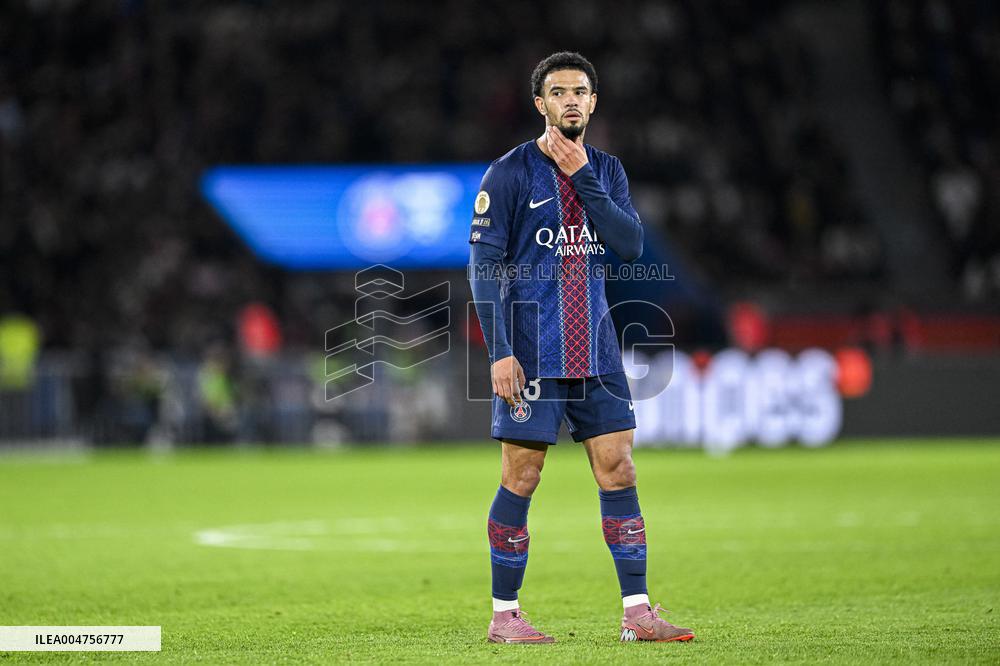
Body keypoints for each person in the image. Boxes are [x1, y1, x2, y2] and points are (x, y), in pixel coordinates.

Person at [468, 52, 695, 644]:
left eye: (581, 91)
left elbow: (627, 245)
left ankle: (638, 612)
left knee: (618, 469)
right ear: (539, 104)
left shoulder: (608, 171)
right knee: (523, 476)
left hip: (596, 351)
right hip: (531, 356)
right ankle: (504, 616)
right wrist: (499, 351)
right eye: (558, 92)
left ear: (593, 103)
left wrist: (583, 177)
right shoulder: (509, 174)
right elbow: (483, 268)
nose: (570, 100)